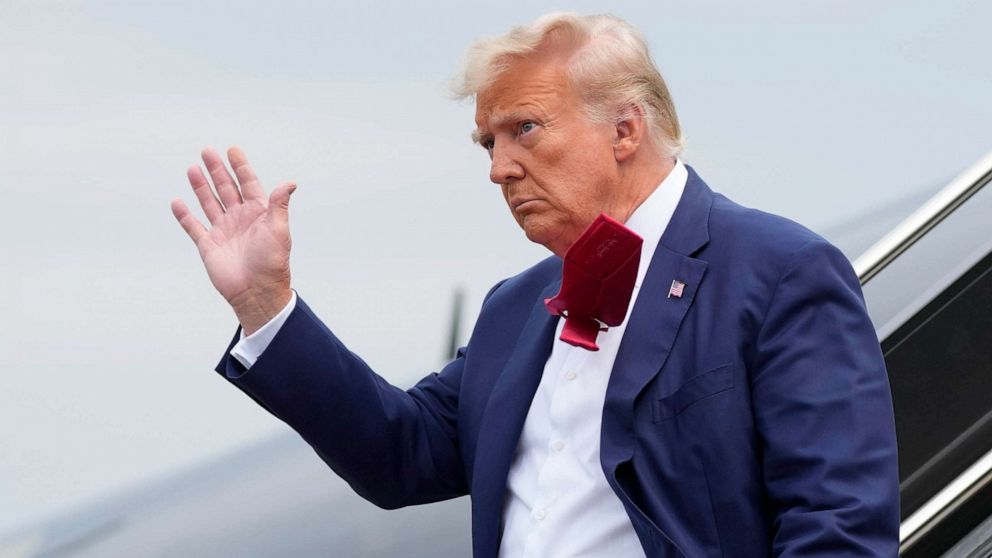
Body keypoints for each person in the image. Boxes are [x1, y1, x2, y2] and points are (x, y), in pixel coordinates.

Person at [171, 12, 899, 558]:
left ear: (625, 129)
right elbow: (400, 457)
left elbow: (839, 530)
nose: (498, 168)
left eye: (525, 129)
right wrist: (263, 303)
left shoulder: (779, 270)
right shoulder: (514, 308)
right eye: (489, 142)